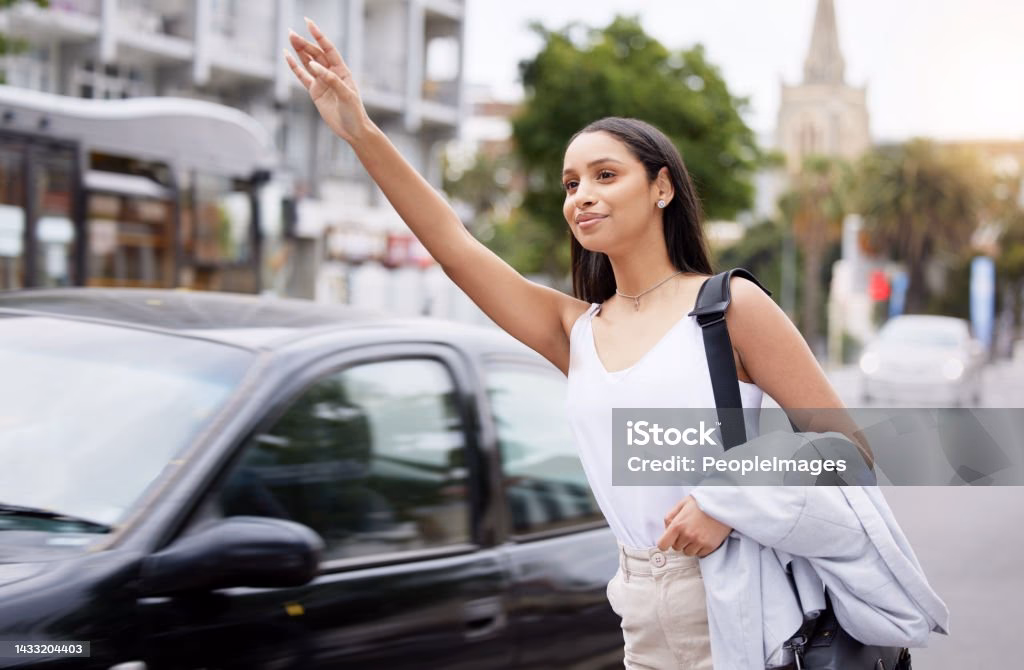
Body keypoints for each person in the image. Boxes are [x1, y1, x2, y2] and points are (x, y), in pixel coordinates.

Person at [285, 19, 948, 669]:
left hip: (736, 599)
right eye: (572, 184)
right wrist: (361, 132)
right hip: (639, 606)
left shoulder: (728, 308)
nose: (582, 197)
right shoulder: (574, 331)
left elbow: (847, 451)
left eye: (605, 175)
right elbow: (455, 247)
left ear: (662, 186)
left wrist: (729, 501)